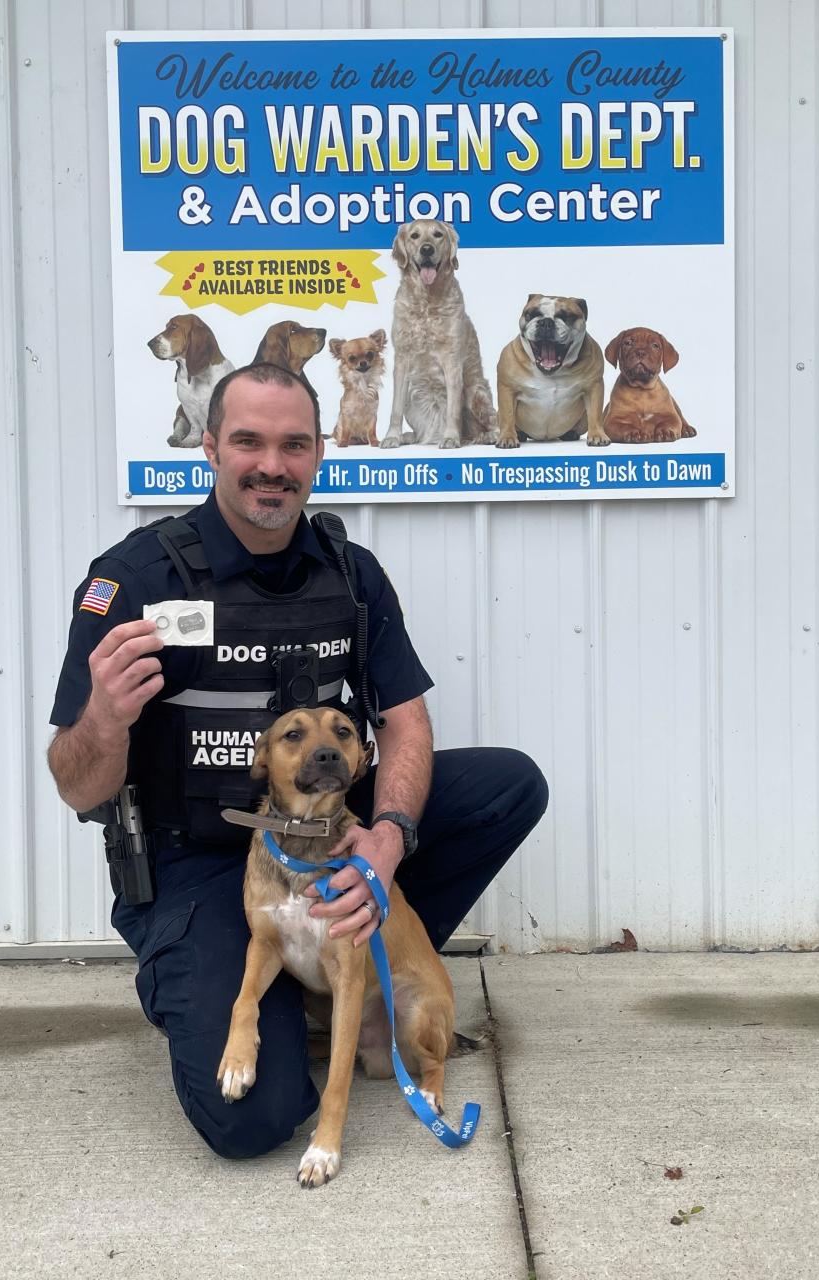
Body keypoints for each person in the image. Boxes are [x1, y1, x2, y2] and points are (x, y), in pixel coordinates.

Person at [48, 361, 548, 1159]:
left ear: (318, 455)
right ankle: (204, 986)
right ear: (209, 448)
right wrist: (105, 717)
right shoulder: (133, 580)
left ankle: (352, 955)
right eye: (248, 441)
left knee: (506, 785)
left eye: (293, 445)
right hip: (202, 864)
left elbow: (406, 723)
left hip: (328, 834)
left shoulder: (349, 573)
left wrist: (386, 842)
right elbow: (75, 783)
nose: (271, 466)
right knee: (253, 1120)